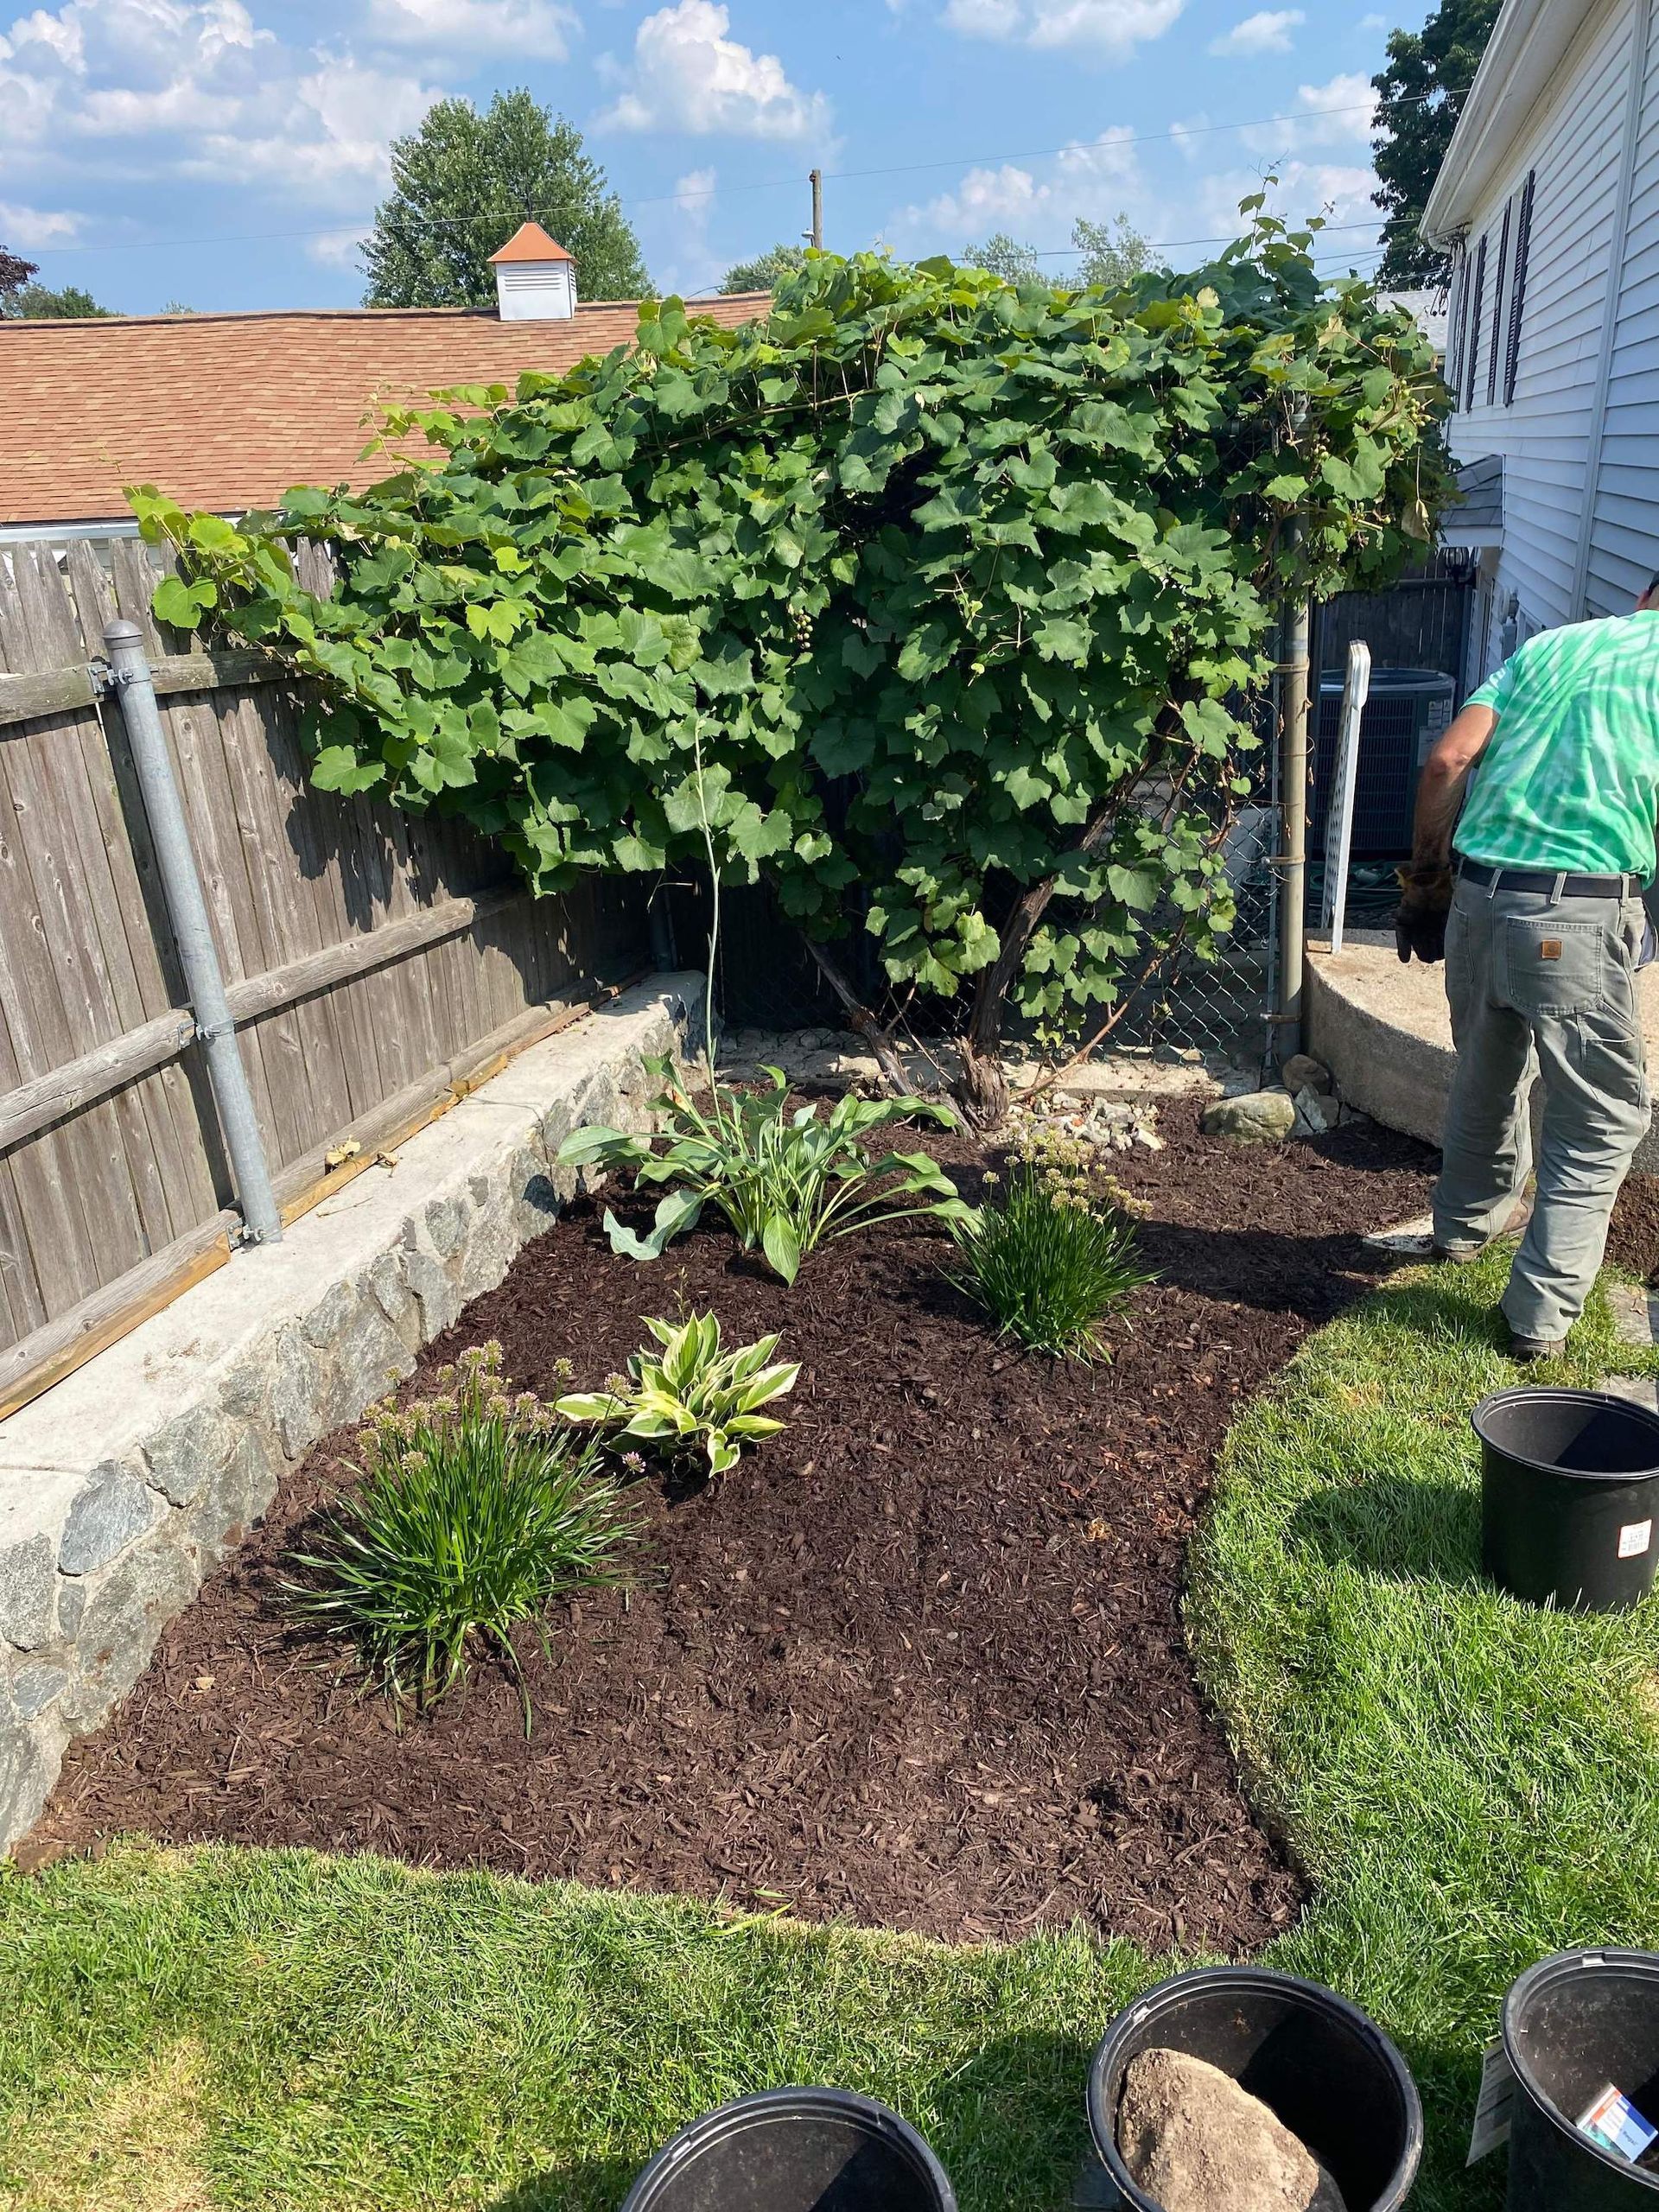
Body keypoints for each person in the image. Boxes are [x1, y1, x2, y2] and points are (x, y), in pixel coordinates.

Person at [1394, 577, 1659, 1358]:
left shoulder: (1548, 647)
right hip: (1580, 910)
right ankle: (1538, 1318)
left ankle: (1462, 1230)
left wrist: (1426, 885)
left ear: (1644, 594)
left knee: (1485, 1068)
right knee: (1603, 1112)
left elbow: (1447, 761)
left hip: (1479, 896)